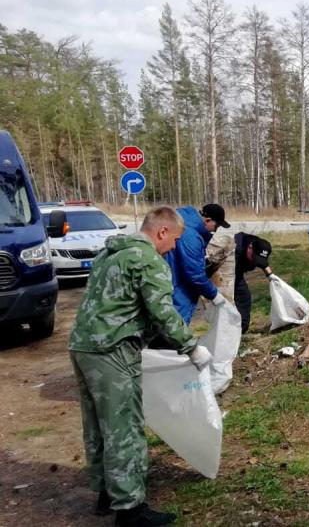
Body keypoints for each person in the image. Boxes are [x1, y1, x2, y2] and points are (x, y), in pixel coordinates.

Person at [69, 207, 212, 527]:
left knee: (97, 424)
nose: (173, 247)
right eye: (175, 240)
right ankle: (129, 510)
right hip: (113, 350)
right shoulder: (148, 260)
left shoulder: (110, 253)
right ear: (162, 232)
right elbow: (163, 312)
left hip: (82, 346)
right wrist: (191, 347)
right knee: (123, 427)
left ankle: (106, 493)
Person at [165, 203, 230, 323]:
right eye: (216, 226)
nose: (215, 230)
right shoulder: (191, 236)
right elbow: (195, 274)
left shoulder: (184, 224)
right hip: (177, 290)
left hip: (171, 283)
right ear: (207, 220)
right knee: (175, 326)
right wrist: (214, 294)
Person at [206, 232, 273, 334]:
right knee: (225, 302)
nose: (255, 261)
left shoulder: (259, 245)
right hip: (222, 275)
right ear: (250, 247)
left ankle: (240, 329)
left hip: (237, 274)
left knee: (244, 297)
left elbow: (263, 262)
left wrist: (271, 276)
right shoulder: (234, 247)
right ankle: (223, 332)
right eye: (254, 258)